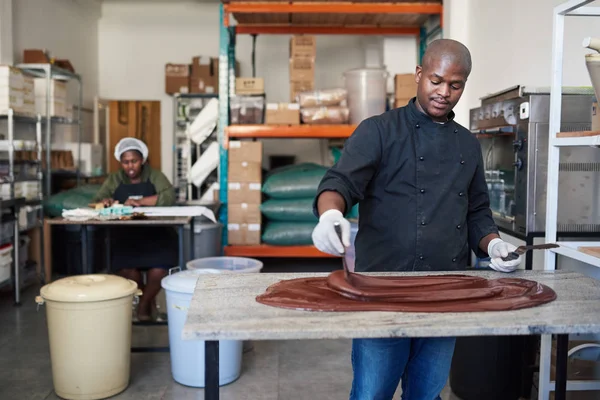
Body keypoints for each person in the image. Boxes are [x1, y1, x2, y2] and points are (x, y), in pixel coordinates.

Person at [311, 39, 523, 400]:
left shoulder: (468, 145)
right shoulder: (378, 130)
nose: (444, 93)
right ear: (419, 75)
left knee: (426, 394)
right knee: (370, 393)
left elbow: (476, 212)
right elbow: (340, 183)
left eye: (455, 85)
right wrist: (330, 213)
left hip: (446, 291)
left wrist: (494, 244)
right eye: (436, 81)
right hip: (381, 290)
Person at [93, 137, 178, 321]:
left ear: (143, 160)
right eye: (125, 162)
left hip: (157, 235)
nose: (130, 166)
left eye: (134, 161)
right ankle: (144, 302)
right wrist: (105, 201)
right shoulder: (115, 179)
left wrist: (140, 202)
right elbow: (99, 198)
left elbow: (169, 196)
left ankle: (144, 304)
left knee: (159, 270)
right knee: (129, 270)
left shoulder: (155, 175)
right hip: (127, 236)